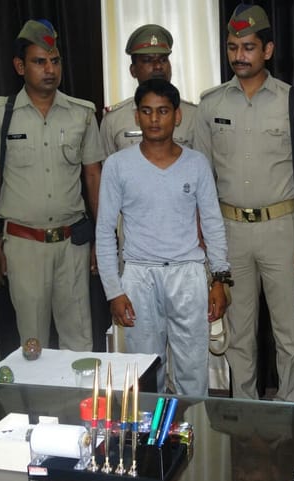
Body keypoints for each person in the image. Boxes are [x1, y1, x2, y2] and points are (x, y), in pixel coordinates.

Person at [193, 4, 294, 402]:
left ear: (267, 50)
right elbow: (200, 180)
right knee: (239, 333)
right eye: (232, 47)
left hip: (281, 230)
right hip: (229, 231)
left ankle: (291, 408)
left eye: (248, 47)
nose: (239, 55)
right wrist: (203, 239)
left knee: (289, 333)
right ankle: (245, 411)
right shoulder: (211, 104)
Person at [0, 19, 105, 351]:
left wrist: (102, 241)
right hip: (24, 245)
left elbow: (94, 177)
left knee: (79, 340)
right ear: (20, 66)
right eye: (39, 61)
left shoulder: (82, 114)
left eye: (55, 61)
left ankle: (77, 389)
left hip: (72, 244)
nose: (50, 69)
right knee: (32, 344)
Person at [95, 79, 231, 396]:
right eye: (146, 111)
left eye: (163, 111)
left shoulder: (196, 163)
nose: (154, 119)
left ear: (177, 116)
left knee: (192, 371)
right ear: (136, 116)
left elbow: (213, 224)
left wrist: (219, 280)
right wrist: (114, 291)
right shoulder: (117, 165)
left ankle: (193, 425)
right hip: (139, 276)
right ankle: (149, 428)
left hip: (188, 275)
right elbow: (104, 231)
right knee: (144, 372)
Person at [100, 24, 196, 153]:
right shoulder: (114, 120)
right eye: (148, 60)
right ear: (133, 71)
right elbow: (108, 164)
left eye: (163, 59)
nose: (158, 66)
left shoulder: (194, 116)